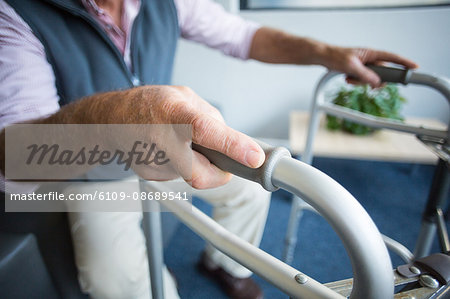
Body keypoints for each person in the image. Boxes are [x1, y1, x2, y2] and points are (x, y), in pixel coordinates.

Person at [0, 0, 417, 298]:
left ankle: (223, 265)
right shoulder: (16, 13)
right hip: (87, 169)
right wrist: (118, 115)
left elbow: (246, 36)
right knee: (116, 280)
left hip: (163, 148)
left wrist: (329, 54)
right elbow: (16, 152)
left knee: (252, 187)